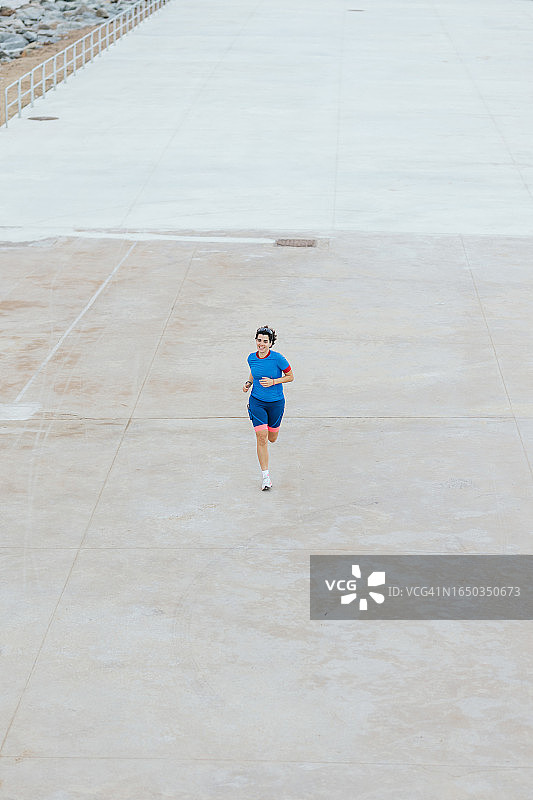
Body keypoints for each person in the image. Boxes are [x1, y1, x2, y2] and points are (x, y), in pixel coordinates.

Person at [243, 326, 294, 490]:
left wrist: (273, 382)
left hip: (276, 403)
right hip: (257, 401)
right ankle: (266, 477)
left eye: (265, 341)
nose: (261, 344)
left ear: (271, 343)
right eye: (259, 340)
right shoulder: (251, 358)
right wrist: (249, 383)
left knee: (272, 438)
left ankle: (271, 430)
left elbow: (290, 377)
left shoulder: (278, 359)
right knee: (262, 437)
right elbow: (253, 371)